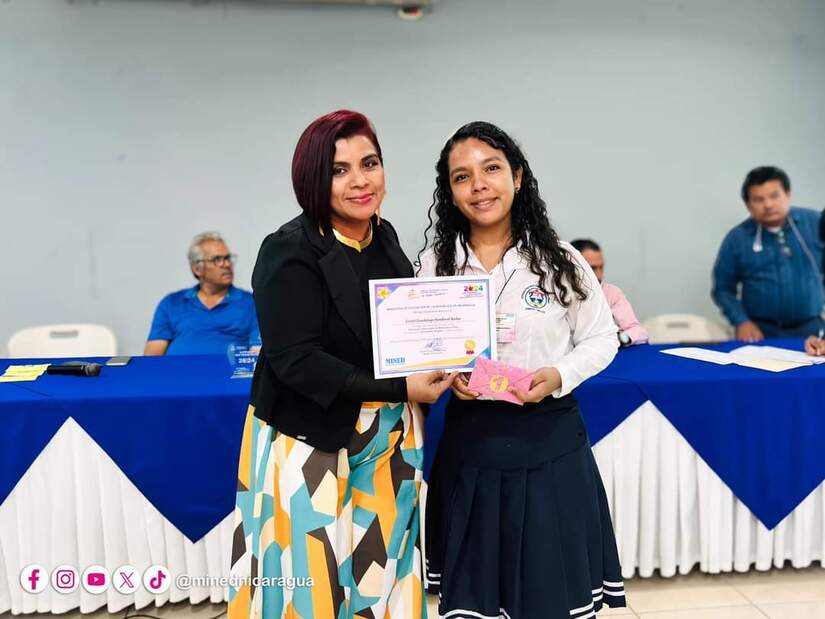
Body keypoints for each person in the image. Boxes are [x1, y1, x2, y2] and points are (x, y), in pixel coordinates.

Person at [227, 110, 456, 619]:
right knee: (312, 573)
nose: (360, 180)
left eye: (369, 163)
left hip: (389, 437)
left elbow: (397, 332)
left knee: (384, 563)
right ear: (312, 179)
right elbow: (295, 360)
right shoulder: (287, 249)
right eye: (339, 170)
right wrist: (402, 388)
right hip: (311, 436)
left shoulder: (383, 235)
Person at [418, 122, 625, 619]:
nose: (479, 186)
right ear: (450, 191)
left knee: (548, 595)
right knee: (475, 600)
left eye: (491, 169)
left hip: (549, 441)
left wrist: (558, 375)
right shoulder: (434, 265)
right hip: (471, 445)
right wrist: (447, 374)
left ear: (517, 176)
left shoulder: (561, 260)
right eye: (462, 177)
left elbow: (602, 338)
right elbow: (426, 348)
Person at [712, 166, 824, 342]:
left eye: (774, 196)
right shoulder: (737, 238)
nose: (768, 205)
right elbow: (722, 288)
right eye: (758, 199)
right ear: (748, 205)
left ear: (788, 194)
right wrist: (741, 321)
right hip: (760, 332)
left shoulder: (816, 223)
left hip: (811, 329)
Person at [144, 232, 260, 355]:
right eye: (217, 259)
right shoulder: (171, 303)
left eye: (227, 258)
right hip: (177, 368)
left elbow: (257, 352)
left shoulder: (252, 303)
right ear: (197, 268)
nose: (227, 264)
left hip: (226, 368)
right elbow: (152, 357)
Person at [571, 238, 649, 346]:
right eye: (592, 268)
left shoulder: (611, 293)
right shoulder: (558, 295)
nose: (599, 275)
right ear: (572, 266)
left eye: (601, 267)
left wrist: (620, 339)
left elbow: (638, 331)